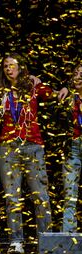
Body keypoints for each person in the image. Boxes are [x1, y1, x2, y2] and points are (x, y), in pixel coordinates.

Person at [0, 53, 53, 254]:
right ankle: (16, 240)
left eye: (12, 65)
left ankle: (46, 241)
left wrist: (38, 81)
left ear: (21, 67)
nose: (8, 69)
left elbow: (51, 93)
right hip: (9, 146)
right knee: (12, 196)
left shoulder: (33, 86)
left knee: (41, 195)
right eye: (5, 66)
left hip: (32, 144)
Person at [59, 61, 82, 233]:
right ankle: (69, 236)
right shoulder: (68, 98)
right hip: (73, 147)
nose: (78, 77)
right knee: (70, 193)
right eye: (76, 73)